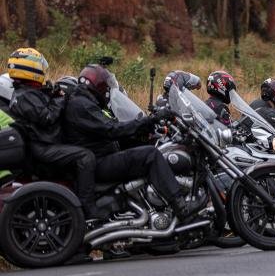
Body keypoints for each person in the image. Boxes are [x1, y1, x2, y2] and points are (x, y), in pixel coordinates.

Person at [63, 63, 195, 221]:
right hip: (100, 162)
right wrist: (148, 120)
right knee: (150, 155)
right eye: (105, 86)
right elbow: (111, 129)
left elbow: (105, 130)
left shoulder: (83, 102)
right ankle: (180, 206)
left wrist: (141, 130)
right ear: (97, 85)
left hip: (100, 155)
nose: (106, 90)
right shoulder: (82, 105)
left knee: (143, 148)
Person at [5, 48, 101, 219]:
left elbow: (42, 107)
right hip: (42, 148)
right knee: (85, 156)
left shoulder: (26, 92)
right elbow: (47, 117)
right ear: (31, 69)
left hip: (42, 144)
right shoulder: (24, 96)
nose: (43, 70)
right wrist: (61, 98)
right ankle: (88, 207)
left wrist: (50, 92)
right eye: (40, 67)